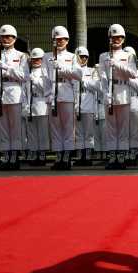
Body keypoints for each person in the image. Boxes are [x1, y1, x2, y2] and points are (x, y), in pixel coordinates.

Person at [99, 24, 137, 170]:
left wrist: (117, 65)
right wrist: (106, 94)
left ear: (123, 39)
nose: (116, 39)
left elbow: (133, 73)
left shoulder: (128, 55)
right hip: (109, 94)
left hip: (123, 93)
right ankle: (112, 156)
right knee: (111, 128)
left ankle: (121, 157)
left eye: (119, 37)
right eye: (113, 37)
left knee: (122, 128)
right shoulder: (103, 56)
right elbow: (102, 77)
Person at [44, 25, 82, 170]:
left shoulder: (72, 56)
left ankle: (66, 157)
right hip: (52, 95)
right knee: (55, 128)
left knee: (67, 127)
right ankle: (58, 156)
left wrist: (61, 68)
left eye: (62, 39)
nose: (59, 42)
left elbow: (78, 75)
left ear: (67, 41)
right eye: (56, 39)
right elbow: (43, 77)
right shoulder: (47, 57)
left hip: (66, 93)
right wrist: (48, 95)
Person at [0, 24, 30, 170]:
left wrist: (7, 69)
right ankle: (6, 157)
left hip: (15, 92)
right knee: (2, 128)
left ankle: (14, 157)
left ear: (14, 39)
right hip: (0, 92)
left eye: (8, 36)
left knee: (15, 127)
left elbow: (24, 76)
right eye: (3, 37)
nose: (5, 39)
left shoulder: (21, 56)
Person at [25, 47, 51, 166]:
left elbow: (46, 88)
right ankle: (34, 154)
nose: (36, 61)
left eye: (38, 59)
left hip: (41, 103)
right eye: (34, 59)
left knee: (42, 132)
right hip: (30, 103)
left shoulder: (45, 72)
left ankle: (42, 155)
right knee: (31, 132)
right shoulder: (28, 71)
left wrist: (35, 81)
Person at [73, 46, 98, 167]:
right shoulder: (72, 71)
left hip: (88, 105)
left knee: (88, 133)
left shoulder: (92, 71)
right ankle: (79, 156)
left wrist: (84, 82)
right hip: (76, 106)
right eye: (81, 56)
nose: (83, 59)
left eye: (85, 57)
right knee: (78, 133)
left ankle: (87, 156)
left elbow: (97, 86)